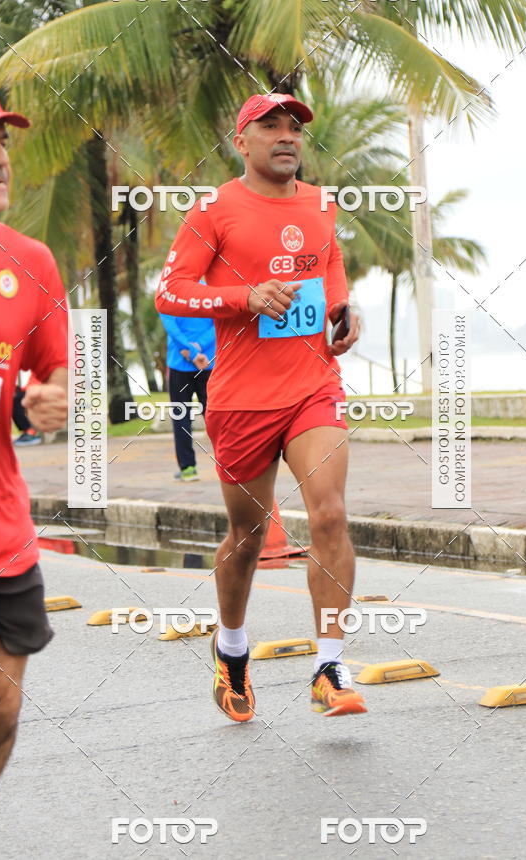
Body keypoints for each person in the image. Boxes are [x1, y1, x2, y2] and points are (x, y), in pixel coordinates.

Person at [156, 93, 366, 720]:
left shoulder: (321, 204)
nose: (286, 136)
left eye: (294, 127)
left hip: (313, 386)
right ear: (241, 142)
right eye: (269, 126)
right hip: (241, 400)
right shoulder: (214, 209)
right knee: (247, 537)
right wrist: (243, 297)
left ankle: (330, 664)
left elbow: (330, 268)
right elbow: (170, 292)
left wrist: (342, 314)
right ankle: (231, 647)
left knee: (330, 513)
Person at [0, 81, 68, 819]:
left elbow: (57, 371)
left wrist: (53, 400)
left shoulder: (30, 262)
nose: (0, 159)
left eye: (2, 142)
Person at [159, 311, 215, 481]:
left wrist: (190, 351)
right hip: (207, 361)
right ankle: (231, 465)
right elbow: (218, 323)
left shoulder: (168, 295)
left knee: (181, 417)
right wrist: (198, 347)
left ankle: (188, 469)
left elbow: (171, 327)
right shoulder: (210, 294)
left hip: (180, 362)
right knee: (215, 415)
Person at [13, 373, 42, 446]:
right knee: (12, 399)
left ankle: (30, 432)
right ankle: (27, 432)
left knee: (16, 400)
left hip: (38, 389)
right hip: (29, 389)